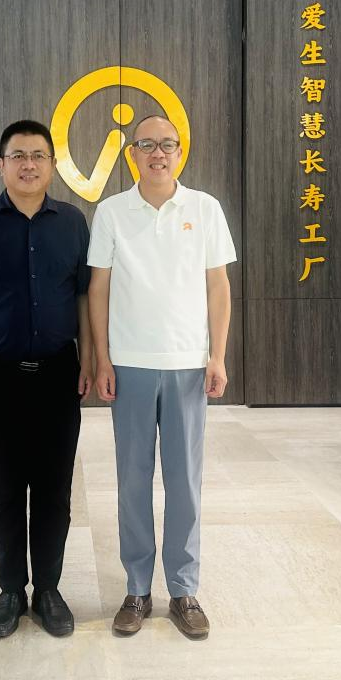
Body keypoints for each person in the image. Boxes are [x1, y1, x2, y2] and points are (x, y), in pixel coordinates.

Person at [0, 119, 93, 639]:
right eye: (18, 156)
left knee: (53, 491)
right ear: (1, 164)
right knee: (5, 492)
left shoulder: (72, 224)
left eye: (38, 156)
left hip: (57, 375)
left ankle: (48, 590)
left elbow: (83, 297)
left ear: (52, 165)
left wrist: (90, 359)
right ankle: (10, 590)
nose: (29, 165)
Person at [87, 115, 236, 640]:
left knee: (184, 482)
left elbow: (218, 287)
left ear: (180, 152)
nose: (158, 153)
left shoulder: (205, 208)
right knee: (132, 481)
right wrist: (103, 359)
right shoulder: (111, 212)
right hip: (129, 363)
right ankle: (136, 589)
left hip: (187, 364)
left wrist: (217, 356)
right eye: (147, 145)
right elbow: (99, 289)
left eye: (167, 145)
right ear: (132, 153)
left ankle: (184, 590)